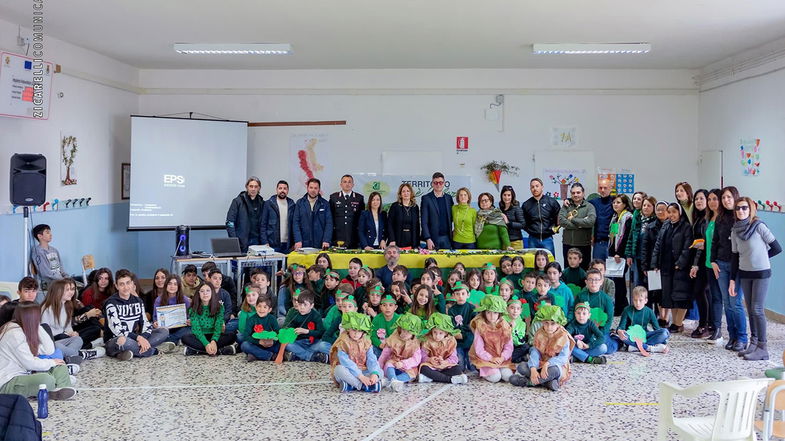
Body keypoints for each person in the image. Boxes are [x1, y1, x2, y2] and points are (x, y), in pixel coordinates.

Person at [730, 197, 782, 361]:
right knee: (750, 309)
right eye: (738, 208)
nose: (741, 211)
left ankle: (763, 347)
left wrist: (762, 258)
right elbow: (734, 257)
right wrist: (732, 279)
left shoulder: (758, 226)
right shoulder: (735, 230)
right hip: (745, 274)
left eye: (744, 208)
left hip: (761, 274)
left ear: (750, 209)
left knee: (758, 309)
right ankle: (753, 343)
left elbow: (776, 247)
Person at [0, 302, 76, 400]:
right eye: (37, 316)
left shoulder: (24, 329)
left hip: (23, 376)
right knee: (46, 379)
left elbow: (49, 350)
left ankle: (59, 389)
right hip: (8, 383)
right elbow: (30, 363)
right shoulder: (14, 334)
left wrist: (38, 326)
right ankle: (55, 388)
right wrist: (51, 362)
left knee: (60, 366)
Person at [103, 269, 175, 361]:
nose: (126, 287)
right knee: (123, 341)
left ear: (132, 284)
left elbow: (146, 323)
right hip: (115, 341)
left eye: (128, 283)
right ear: (116, 286)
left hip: (134, 339)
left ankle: (126, 353)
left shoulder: (138, 301)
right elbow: (117, 330)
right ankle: (154, 351)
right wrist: (138, 338)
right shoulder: (111, 303)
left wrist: (143, 338)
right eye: (122, 284)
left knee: (164, 331)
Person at [710, 186, 746, 350]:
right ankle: (732, 337)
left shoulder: (739, 217)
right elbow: (715, 241)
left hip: (736, 267)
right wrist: (713, 261)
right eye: (723, 198)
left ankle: (742, 338)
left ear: (735, 198)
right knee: (727, 303)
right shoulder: (720, 218)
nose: (726, 200)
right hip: (721, 264)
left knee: (736, 302)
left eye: (729, 197)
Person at [509, 305, 575, 391]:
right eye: (546, 323)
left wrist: (548, 364)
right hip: (540, 363)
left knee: (554, 371)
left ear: (559, 323)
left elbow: (563, 358)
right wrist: (533, 369)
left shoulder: (563, 336)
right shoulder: (539, 333)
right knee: (521, 367)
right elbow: (535, 351)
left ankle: (529, 382)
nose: (549, 327)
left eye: (553, 324)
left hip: (556, 366)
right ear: (542, 322)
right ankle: (547, 382)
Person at [652, 203, 693, 333]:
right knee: (669, 296)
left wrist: (680, 263)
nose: (671, 215)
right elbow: (658, 245)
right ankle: (674, 322)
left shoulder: (686, 227)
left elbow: (688, 247)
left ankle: (678, 322)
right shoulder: (665, 225)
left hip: (680, 267)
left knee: (680, 296)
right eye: (669, 212)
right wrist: (655, 264)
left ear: (680, 213)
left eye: (674, 212)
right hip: (665, 266)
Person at [41, 279, 105, 363]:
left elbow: (68, 327)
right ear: (58, 291)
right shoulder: (47, 308)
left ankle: (69, 356)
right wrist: (66, 334)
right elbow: (45, 333)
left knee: (77, 339)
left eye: (72, 289)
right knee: (58, 345)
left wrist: (72, 333)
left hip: (65, 339)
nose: (71, 292)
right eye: (67, 290)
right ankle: (84, 354)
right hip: (53, 340)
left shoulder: (66, 305)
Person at [330, 312, 382, 393]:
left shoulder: (366, 341)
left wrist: (374, 374)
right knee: (338, 370)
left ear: (364, 332)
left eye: (359, 331)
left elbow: (371, 359)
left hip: (363, 370)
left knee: (380, 371)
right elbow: (346, 363)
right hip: (349, 371)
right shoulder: (343, 342)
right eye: (354, 329)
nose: (356, 333)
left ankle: (350, 386)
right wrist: (360, 376)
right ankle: (361, 386)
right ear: (348, 329)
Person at [182, 282, 237, 356]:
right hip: (200, 337)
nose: (205, 293)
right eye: (202, 291)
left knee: (232, 336)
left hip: (215, 336)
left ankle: (197, 351)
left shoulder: (219, 307)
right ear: (198, 293)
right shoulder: (193, 308)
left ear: (212, 293)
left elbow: (218, 326)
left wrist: (213, 341)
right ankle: (220, 351)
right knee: (185, 338)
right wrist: (206, 344)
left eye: (208, 290)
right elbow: (196, 329)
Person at [469, 296, 514, 383]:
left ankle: (498, 369)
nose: (492, 316)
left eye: (495, 313)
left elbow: (509, 346)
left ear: (499, 313)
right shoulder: (481, 326)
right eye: (489, 312)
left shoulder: (505, 326)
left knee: (508, 376)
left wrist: (502, 357)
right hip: (486, 359)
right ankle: (482, 370)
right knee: (495, 377)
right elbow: (479, 349)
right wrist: (491, 358)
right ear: (484, 313)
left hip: (501, 359)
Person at [613, 287, 669, 355]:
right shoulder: (627, 310)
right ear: (632, 300)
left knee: (665, 332)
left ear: (646, 300)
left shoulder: (649, 311)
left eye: (640, 300)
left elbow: (657, 329)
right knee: (623, 336)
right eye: (635, 300)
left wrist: (663, 342)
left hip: (645, 335)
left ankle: (635, 347)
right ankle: (649, 348)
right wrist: (619, 331)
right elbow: (621, 327)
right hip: (631, 336)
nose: (637, 303)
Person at [377, 313, 422, 392]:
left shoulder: (415, 343)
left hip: (407, 366)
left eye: (408, 332)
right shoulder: (393, 338)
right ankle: (394, 380)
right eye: (403, 330)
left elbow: (416, 359)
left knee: (412, 374)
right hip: (394, 363)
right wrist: (379, 368)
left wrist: (403, 363)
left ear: (414, 333)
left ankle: (390, 381)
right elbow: (384, 354)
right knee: (388, 364)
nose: (403, 333)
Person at [418, 313, 468, 384]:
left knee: (458, 369)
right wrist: (429, 359)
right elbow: (422, 355)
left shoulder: (451, 341)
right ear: (431, 331)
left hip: (445, 366)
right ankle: (450, 379)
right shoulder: (427, 340)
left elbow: (454, 358)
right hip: (431, 365)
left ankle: (432, 377)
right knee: (424, 369)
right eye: (435, 332)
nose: (437, 336)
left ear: (446, 333)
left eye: (440, 333)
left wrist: (446, 362)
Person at [575, 269, 616, 354]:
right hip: (583, 330)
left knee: (605, 348)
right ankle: (584, 354)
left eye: (596, 280)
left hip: (600, 331)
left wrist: (599, 334)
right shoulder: (581, 296)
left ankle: (615, 340)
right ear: (586, 282)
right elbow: (575, 314)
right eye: (590, 280)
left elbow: (609, 320)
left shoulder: (606, 299)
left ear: (601, 281)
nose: (593, 282)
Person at [688, 189, 711, 338]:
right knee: (703, 293)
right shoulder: (698, 218)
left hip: (704, 261)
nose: (698, 201)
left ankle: (704, 324)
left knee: (700, 291)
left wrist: (695, 264)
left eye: (702, 199)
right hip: (699, 259)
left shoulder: (708, 219)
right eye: (696, 199)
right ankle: (706, 323)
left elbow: (702, 244)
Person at [559, 183, 596, 268]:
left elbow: (590, 222)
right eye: (573, 193)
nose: (576, 195)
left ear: (583, 193)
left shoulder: (589, 207)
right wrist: (580, 225)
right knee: (568, 270)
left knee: (584, 271)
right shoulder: (566, 205)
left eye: (578, 192)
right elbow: (561, 221)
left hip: (584, 245)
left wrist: (572, 219)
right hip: (568, 244)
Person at [607, 194, 633, 315]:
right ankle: (621, 305)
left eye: (618, 202)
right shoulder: (614, 217)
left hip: (621, 254)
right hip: (614, 254)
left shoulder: (628, 217)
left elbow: (626, 237)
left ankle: (621, 307)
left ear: (625, 205)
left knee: (620, 281)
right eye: (614, 203)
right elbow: (613, 236)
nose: (615, 205)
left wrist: (619, 253)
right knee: (616, 280)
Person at [283, 290, 326, 362]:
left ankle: (299, 355)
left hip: (313, 343)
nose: (302, 307)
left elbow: (320, 332)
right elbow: (285, 327)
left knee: (323, 345)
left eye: (305, 305)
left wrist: (307, 331)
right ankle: (311, 356)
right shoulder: (293, 312)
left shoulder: (316, 315)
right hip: (298, 342)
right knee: (287, 345)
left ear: (311, 305)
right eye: (300, 304)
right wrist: (292, 331)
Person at [522, 178, 561, 256]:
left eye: (537, 186)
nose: (535, 188)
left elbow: (559, 216)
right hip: (532, 239)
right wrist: (530, 231)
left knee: (550, 263)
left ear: (542, 187)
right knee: (532, 263)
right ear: (530, 189)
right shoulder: (526, 205)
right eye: (532, 187)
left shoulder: (552, 202)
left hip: (547, 239)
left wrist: (554, 229)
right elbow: (523, 222)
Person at [226, 176, 265, 252]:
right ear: (247, 187)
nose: (253, 189)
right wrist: (234, 241)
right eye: (251, 186)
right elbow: (230, 222)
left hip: (257, 242)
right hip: (241, 242)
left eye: (256, 187)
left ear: (259, 188)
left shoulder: (262, 203)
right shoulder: (237, 202)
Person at [292, 178, 333, 250]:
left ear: (319, 189)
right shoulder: (299, 203)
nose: (313, 190)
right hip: (303, 243)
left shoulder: (325, 204)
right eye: (311, 187)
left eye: (315, 188)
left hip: (321, 244)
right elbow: (295, 223)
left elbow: (329, 224)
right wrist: (298, 240)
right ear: (307, 188)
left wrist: (326, 240)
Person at [152, 274, 192, 345]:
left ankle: (170, 340)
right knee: (155, 332)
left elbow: (190, 316)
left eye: (175, 284)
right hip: (165, 329)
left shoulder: (185, 299)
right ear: (166, 285)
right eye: (169, 284)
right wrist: (155, 323)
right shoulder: (159, 300)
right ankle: (177, 340)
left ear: (178, 286)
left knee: (191, 329)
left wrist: (189, 321)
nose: (172, 286)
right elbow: (155, 317)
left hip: (181, 328)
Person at [240, 294, 280, 362]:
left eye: (265, 307)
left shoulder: (272, 319)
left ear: (269, 310)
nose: (261, 309)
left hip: (270, 345)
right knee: (244, 345)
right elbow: (246, 336)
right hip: (257, 345)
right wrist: (259, 342)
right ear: (256, 307)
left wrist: (273, 341)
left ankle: (255, 355)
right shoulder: (251, 319)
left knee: (280, 345)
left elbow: (278, 333)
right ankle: (269, 356)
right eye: (259, 306)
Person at [329, 174, 365, 248]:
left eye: (349, 182)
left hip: (353, 236)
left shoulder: (359, 198)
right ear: (341, 184)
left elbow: (361, 218)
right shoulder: (334, 197)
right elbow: (330, 217)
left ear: (353, 184)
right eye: (345, 182)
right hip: (337, 235)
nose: (347, 184)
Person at [420, 172, 454, 250]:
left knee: (447, 261)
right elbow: (424, 221)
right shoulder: (426, 198)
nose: (438, 184)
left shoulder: (449, 198)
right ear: (432, 184)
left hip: (447, 238)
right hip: (432, 239)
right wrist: (428, 238)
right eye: (436, 182)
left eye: (441, 182)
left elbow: (452, 218)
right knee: (432, 261)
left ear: (444, 183)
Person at [260, 180, 296, 254]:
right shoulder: (269, 204)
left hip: (288, 245)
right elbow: (263, 225)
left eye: (285, 188)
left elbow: (295, 225)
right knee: (274, 265)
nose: (282, 190)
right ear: (276, 190)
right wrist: (265, 242)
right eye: (280, 188)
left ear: (288, 190)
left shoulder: (292, 204)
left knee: (287, 265)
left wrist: (295, 242)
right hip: (272, 245)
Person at [31, 224, 69, 288]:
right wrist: (62, 280)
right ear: (40, 236)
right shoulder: (38, 252)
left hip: (60, 281)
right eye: (47, 232)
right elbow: (45, 273)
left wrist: (66, 277)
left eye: (50, 232)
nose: (51, 234)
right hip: (48, 283)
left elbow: (61, 267)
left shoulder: (54, 250)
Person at [624, 191, 648, 288]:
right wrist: (629, 254)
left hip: (645, 254)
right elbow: (632, 235)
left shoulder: (645, 215)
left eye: (639, 199)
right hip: (636, 253)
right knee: (637, 281)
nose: (636, 201)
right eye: (634, 198)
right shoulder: (635, 213)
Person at [387, 183, 421, 249]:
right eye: (403, 191)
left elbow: (417, 226)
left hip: (412, 241)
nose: (406, 193)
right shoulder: (395, 206)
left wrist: (417, 243)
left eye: (408, 191)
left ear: (411, 193)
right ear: (400, 194)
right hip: (397, 240)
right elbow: (389, 224)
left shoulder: (415, 207)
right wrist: (392, 239)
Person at [589, 179, 614, 260]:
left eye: (605, 188)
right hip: (598, 243)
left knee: (612, 271)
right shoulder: (594, 202)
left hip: (612, 243)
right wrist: (568, 200)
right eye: (600, 188)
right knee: (597, 269)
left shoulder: (615, 202)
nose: (602, 190)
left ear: (611, 188)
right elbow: (579, 203)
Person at [499, 185, 525, 250]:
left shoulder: (517, 208)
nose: (506, 197)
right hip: (504, 242)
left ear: (512, 196)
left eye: (509, 195)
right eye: (504, 195)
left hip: (516, 242)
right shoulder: (500, 209)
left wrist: (508, 222)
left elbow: (523, 224)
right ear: (501, 196)